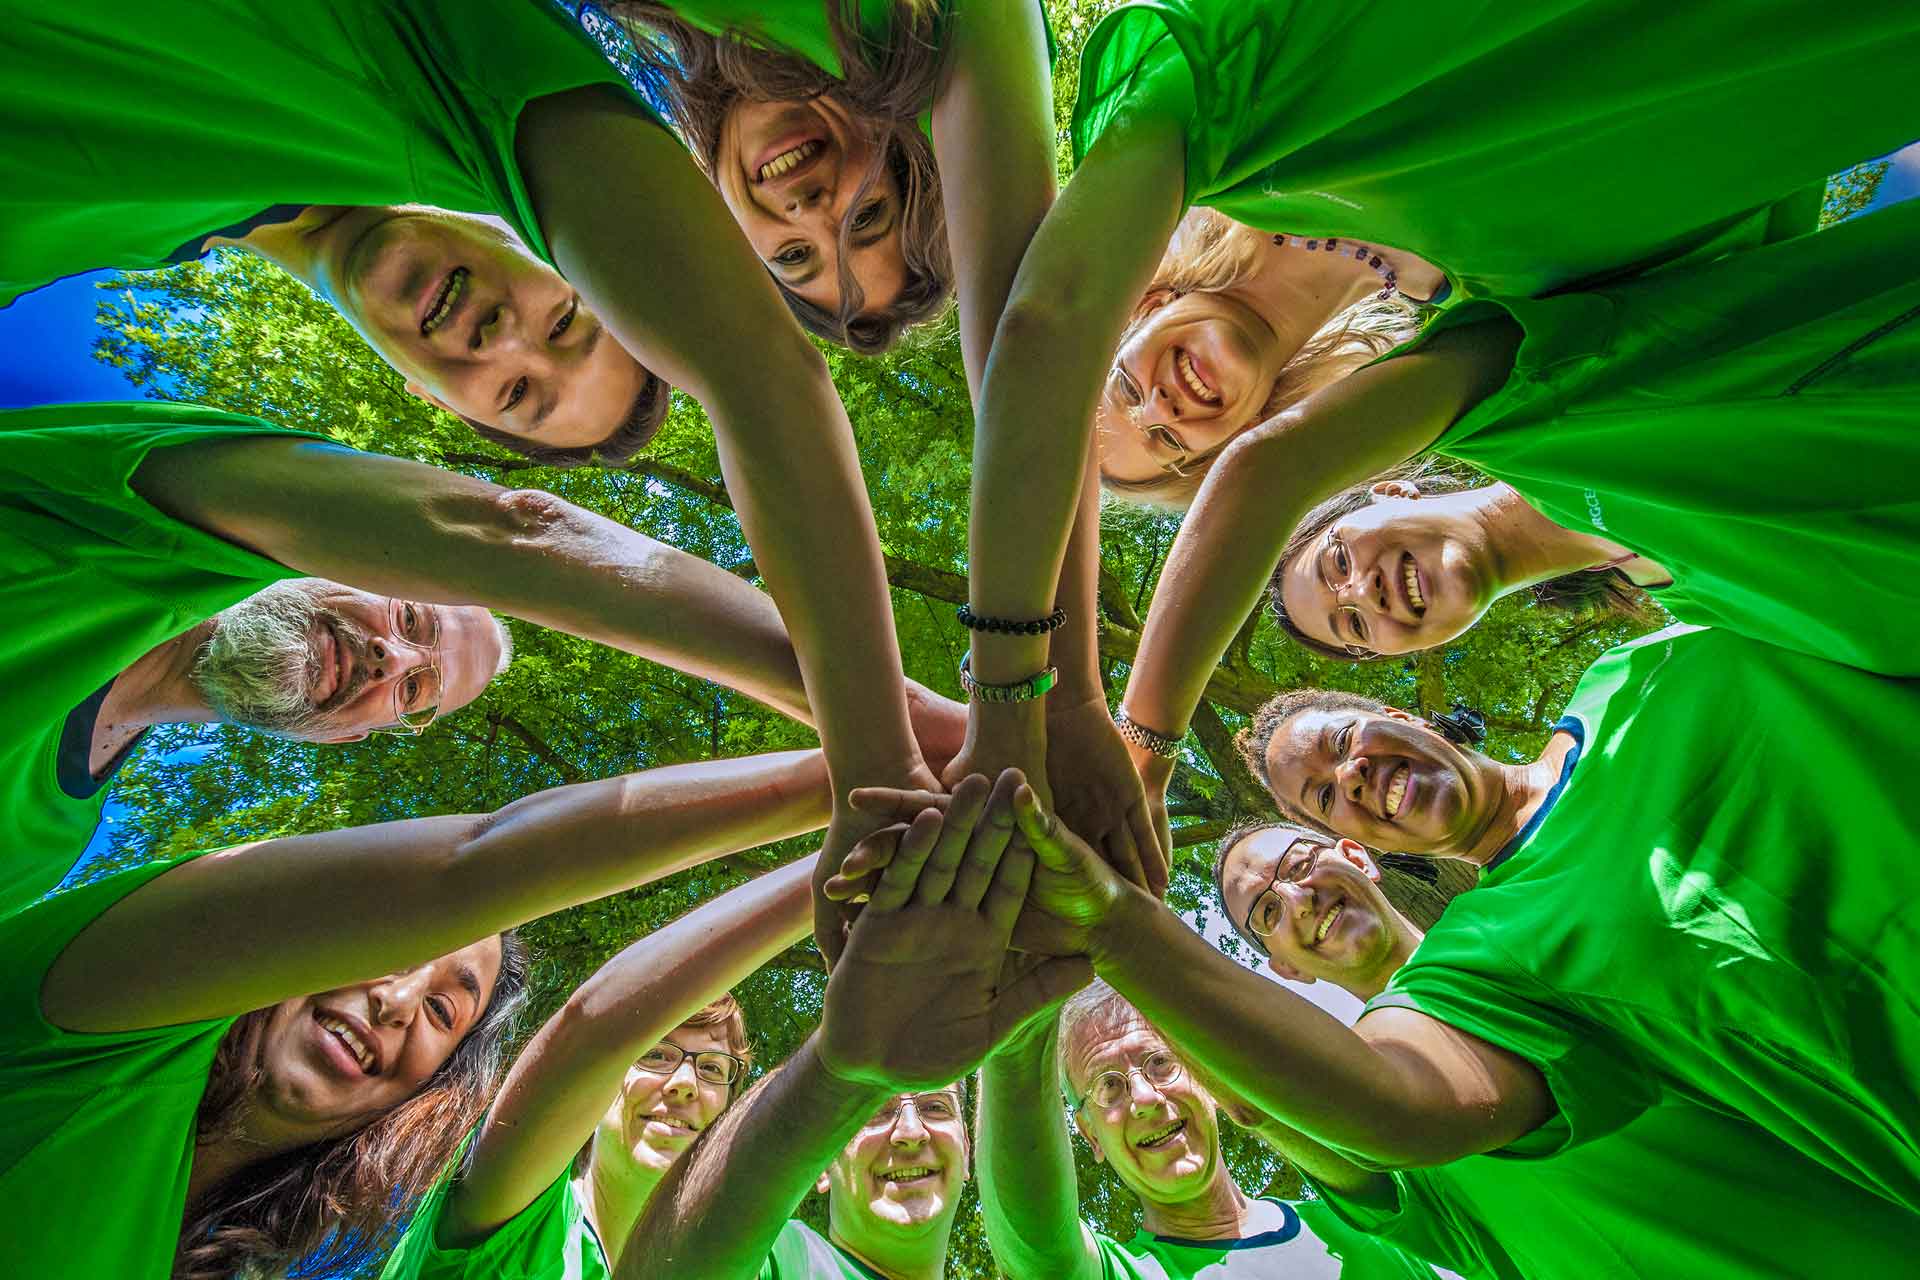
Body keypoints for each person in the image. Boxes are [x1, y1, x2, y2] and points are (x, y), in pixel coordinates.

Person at [5, 0, 957, 919]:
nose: (507, 341)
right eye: (567, 318)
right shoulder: (427, 71)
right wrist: (898, 736)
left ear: (434, 398)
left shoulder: (38, 845)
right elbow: (528, 524)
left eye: (515, 397)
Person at [942, 0, 1918, 863]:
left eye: (1121, 381)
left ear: (1139, 296)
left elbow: (1047, 320)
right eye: (1166, 447)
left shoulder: (1225, 102)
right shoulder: (1511, 359)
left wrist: (1097, 722)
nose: (1163, 409)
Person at [1114, 188, 1920, 846]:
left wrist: (1139, 747)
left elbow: (1271, 470)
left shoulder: (1515, 392)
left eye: (1335, 563)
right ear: (1426, 650)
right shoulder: (1718, 620)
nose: (1366, 594)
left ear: (1385, 489)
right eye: (1356, 628)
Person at [0, 399, 964, 916]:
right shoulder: (129, 524)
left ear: (360, 736)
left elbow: (480, 866)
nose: (385, 657)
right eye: (412, 616)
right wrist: (922, 728)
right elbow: (513, 530)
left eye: (413, 689)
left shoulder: (41, 852)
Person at [0, 745, 833, 1279]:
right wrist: (852, 814)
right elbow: (581, 1009)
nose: (395, 1002)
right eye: (381, 956)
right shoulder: (89, 1036)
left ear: (434, 1089)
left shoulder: (277, 1259)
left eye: (443, 1007)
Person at [1226, 623, 1920, 1212]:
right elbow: (1395, 1103)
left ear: (1405, 718)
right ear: (1360, 842)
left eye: (1345, 740)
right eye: (1322, 796)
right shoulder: (1487, 966)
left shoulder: (1634, 676)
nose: (1349, 775)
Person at [1210, 821, 1920, 1279]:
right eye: (1267, 911)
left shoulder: (1529, 923)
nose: (1298, 897)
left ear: (1355, 853)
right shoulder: (1370, 1128)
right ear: (1285, 968)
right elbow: (1257, 1108)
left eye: (1300, 862)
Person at [621, 770, 1092, 1279]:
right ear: (823, 1166)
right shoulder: (781, 1259)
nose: (910, 1134)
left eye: (936, 1107)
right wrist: (838, 1066)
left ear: (968, 1148)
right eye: (875, 1113)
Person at [379, 858, 816, 1279]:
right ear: (601, 1083)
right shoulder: (516, 1226)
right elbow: (587, 1031)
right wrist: (833, 874)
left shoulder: (752, 1266)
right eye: (656, 1055)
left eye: (712, 1068)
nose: (685, 1084)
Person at [612, 0, 1058, 361]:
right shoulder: (888, 22)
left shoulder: (622, 75)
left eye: (794, 254)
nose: (807, 211)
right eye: (866, 216)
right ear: (904, 149)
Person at [978, 975, 1445, 1280]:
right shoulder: (1124, 1272)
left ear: (1207, 1080)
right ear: (1090, 1135)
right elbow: (1033, 1245)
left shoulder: (1365, 1219)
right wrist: (1013, 1024)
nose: (1144, 1099)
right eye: (1109, 1087)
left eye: (1160, 1064)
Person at [1096, 210, 1424, 506]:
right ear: (1243, 432)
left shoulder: (1227, 169)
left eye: (1128, 389)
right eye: (1167, 439)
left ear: (1148, 308)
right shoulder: (1446, 284)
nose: (1159, 410)